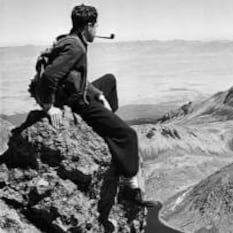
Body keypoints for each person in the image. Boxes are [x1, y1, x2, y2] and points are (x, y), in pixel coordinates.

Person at [37, 4, 157, 229]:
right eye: (96, 25)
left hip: (78, 92)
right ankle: (132, 188)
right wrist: (48, 107)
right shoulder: (76, 48)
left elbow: (75, 78)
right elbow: (50, 77)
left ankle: (108, 122)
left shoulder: (70, 40)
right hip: (75, 101)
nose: (97, 29)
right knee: (129, 134)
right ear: (88, 26)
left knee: (109, 81)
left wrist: (98, 94)